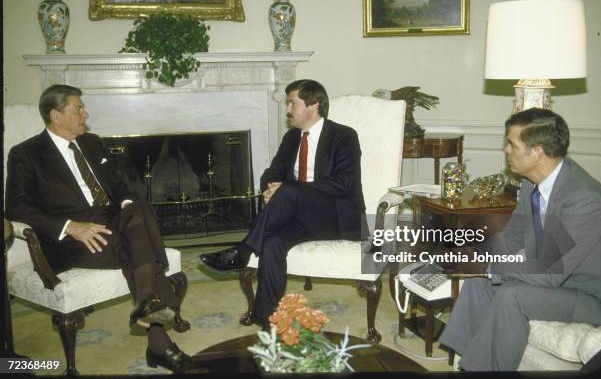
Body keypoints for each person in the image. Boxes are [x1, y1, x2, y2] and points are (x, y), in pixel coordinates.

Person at [5, 85, 192, 372]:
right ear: (56, 115)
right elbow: (16, 208)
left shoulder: (91, 142)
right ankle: (158, 337)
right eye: (78, 108)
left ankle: (147, 308)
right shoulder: (26, 154)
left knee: (140, 208)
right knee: (135, 246)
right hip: (75, 238)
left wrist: (128, 205)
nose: (85, 113)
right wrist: (69, 226)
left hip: (113, 219)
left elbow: (116, 185)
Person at [439, 108, 601, 370]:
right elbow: (513, 236)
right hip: (553, 279)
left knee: (511, 296)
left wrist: (485, 266)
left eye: (511, 144)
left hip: (588, 296)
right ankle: (467, 365)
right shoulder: (531, 183)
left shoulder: (584, 199)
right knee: (478, 284)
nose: (505, 150)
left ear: (537, 152)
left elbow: (549, 272)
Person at [200, 79, 365, 325]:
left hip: (336, 217)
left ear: (313, 105)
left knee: (288, 190)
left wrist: (289, 189)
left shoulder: (343, 136)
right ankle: (266, 317)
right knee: (272, 242)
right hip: (299, 216)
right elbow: (272, 172)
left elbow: (344, 184)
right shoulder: (291, 138)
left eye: (292, 103)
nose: (287, 110)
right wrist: (271, 188)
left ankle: (243, 251)